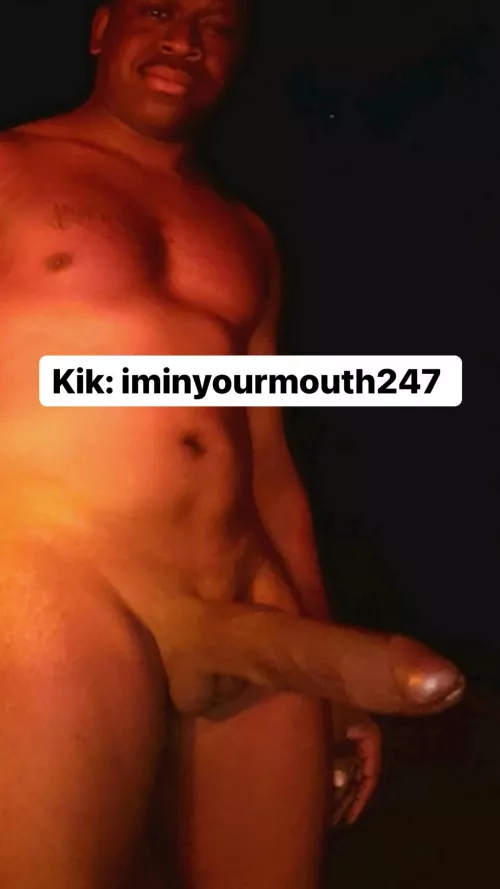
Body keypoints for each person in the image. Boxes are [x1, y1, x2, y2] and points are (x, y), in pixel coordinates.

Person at [0, 1, 465, 887]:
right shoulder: (10, 165)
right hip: (61, 574)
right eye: (160, 11)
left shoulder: (247, 235)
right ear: (101, 28)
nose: (185, 39)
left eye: (216, 27)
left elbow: (269, 460)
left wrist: (328, 663)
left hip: (243, 582)